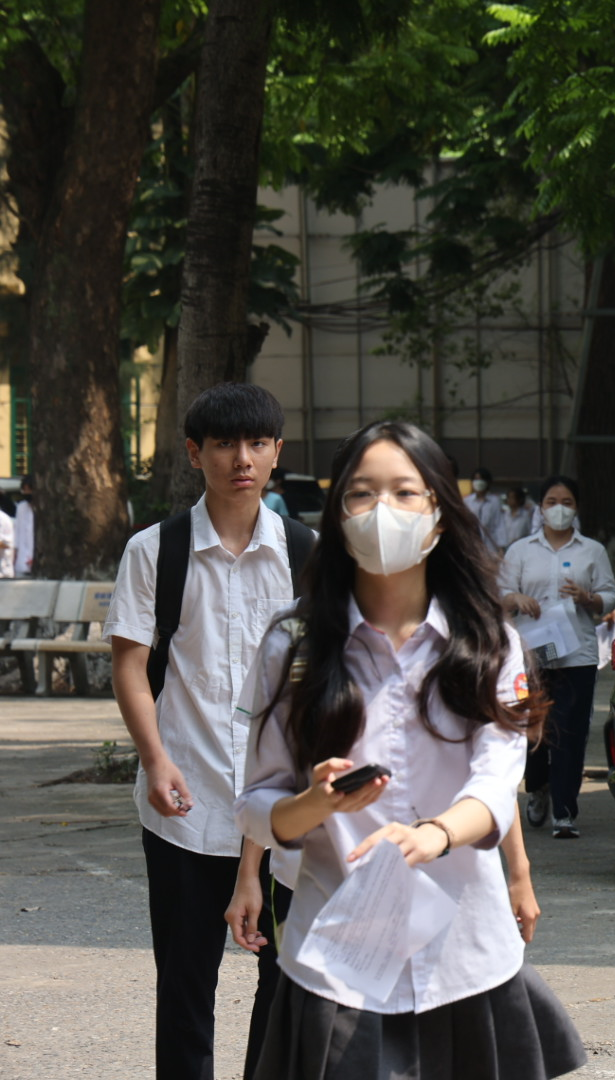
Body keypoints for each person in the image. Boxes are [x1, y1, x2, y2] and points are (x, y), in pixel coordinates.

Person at [236, 420, 584, 1080]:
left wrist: (433, 836)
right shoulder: (295, 644)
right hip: (339, 959)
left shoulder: (488, 643)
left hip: (464, 954)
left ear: (440, 514)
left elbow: (494, 783)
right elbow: (258, 806)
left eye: (404, 492)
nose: (381, 512)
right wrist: (312, 803)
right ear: (337, 514)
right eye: (361, 495)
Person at [103, 384, 302, 1080]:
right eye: (222, 444)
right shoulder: (156, 550)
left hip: (285, 809)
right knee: (187, 986)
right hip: (186, 805)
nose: (239, 459)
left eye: (255, 443)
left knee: (286, 984)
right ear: (195, 453)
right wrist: (154, 760)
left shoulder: (308, 556)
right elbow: (130, 665)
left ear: (278, 452)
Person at [500, 475, 615, 838]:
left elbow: (610, 595)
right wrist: (516, 599)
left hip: (577, 654)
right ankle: (537, 787)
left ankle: (565, 811)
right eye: (551, 501)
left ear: (576, 507)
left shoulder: (592, 550)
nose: (559, 509)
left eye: (566, 501)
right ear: (540, 507)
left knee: (570, 731)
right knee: (534, 728)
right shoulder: (521, 550)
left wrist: (589, 598)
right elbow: (501, 592)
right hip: (531, 655)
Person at [464, 465, 504, 548]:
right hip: (471, 542)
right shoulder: (467, 501)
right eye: (476, 479)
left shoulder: (494, 501)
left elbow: (499, 524)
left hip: (490, 543)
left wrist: (501, 546)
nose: (478, 482)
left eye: (481, 479)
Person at [498, 484, 540, 550]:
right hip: (505, 548)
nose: (509, 500)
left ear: (519, 499)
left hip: (521, 547)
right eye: (508, 498)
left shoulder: (526, 515)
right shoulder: (505, 515)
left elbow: (530, 532)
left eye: (512, 498)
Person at [14, 473, 34, 576]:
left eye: (29, 490)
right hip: (21, 563)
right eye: (24, 490)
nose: (27, 493)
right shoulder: (21, 508)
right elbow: (17, 533)